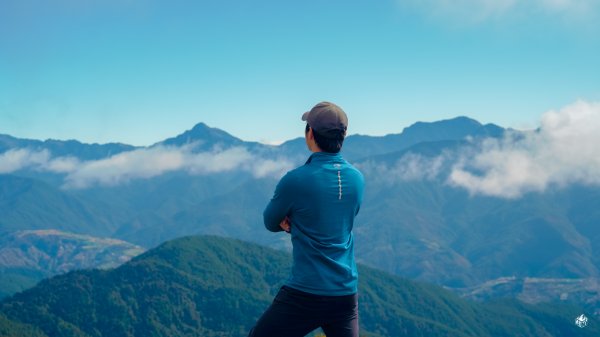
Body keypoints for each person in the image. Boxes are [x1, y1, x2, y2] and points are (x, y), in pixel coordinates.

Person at [248, 101, 365, 337]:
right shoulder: (357, 179)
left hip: (305, 293)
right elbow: (339, 221)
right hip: (345, 293)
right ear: (343, 136)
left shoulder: (296, 179)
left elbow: (270, 222)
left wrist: (293, 223)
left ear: (310, 133)